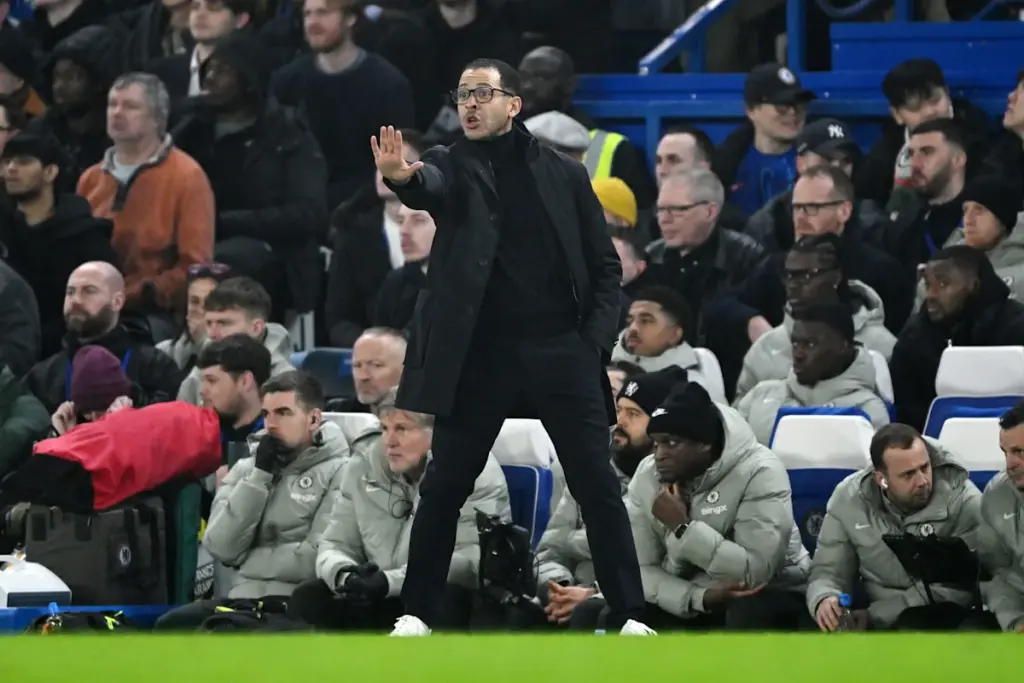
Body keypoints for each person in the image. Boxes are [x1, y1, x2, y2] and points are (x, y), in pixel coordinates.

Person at [370, 58, 650, 636]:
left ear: (513, 104)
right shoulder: (451, 163)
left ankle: (629, 615)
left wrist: (592, 346)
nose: (469, 105)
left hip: (560, 349)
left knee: (597, 485)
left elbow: (604, 267)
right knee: (445, 486)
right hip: (479, 356)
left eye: (482, 93)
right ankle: (416, 613)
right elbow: (428, 185)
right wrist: (401, 177)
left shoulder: (565, 173)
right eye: (462, 95)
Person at [578, 382, 811, 631]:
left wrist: (683, 528)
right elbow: (638, 569)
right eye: (656, 443)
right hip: (694, 593)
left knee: (746, 610)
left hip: (768, 592)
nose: (659, 455)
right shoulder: (648, 474)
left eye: (671, 443)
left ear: (704, 444)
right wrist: (697, 598)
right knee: (595, 614)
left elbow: (754, 572)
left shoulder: (760, 471)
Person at [288, 386, 509, 631]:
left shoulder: (474, 472)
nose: (390, 441)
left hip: (426, 594)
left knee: (448, 599)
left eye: (402, 429)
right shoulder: (363, 465)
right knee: (309, 597)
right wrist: (346, 575)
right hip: (376, 592)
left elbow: (470, 563)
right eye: (385, 428)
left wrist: (389, 582)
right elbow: (335, 543)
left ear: (438, 433)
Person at [154, 370, 349, 629]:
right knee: (169, 626)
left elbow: (315, 559)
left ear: (313, 419)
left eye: (283, 413)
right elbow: (220, 547)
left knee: (222, 633)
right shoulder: (248, 469)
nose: (271, 425)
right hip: (241, 600)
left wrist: (247, 559)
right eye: (266, 414)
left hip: (293, 605)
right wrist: (260, 477)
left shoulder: (343, 472)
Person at [536, 367, 687, 627]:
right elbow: (549, 550)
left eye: (633, 414)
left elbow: (662, 566)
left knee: (591, 615)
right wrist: (560, 587)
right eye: (618, 410)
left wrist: (594, 593)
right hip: (568, 592)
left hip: (630, 598)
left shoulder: (671, 484)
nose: (620, 421)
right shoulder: (590, 470)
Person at [807, 423, 992, 631]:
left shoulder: (963, 500)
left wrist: (875, 615)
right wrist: (826, 599)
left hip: (943, 615)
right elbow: (828, 570)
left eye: (925, 467)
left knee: (913, 624)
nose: (922, 481)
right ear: (882, 480)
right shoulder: (849, 499)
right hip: (873, 617)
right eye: (908, 474)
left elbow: (963, 586)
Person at [76, 73, 214, 319]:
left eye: (130, 106)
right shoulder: (90, 178)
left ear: (157, 118)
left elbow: (195, 265)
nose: (117, 113)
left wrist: (138, 294)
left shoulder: (187, 176)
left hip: (152, 312)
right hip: (89, 304)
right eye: (112, 104)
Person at [0, 130, 120, 356]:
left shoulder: (85, 237)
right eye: (6, 162)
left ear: (50, 172)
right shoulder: (4, 230)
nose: (11, 169)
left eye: (23, 161)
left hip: (65, 353)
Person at [735, 234, 895, 400]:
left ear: (836, 277)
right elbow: (740, 411)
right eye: (788, 275)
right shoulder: (765, 348)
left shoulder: (882, 346)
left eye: (805, 276)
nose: (792, 285)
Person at [22, 261, 184, 413]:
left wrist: (134, 405)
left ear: (117, 302)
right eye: (70, 292)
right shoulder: (42, 376)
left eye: (89, 291)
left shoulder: (156, 367)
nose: (76, 300)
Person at [891, 246, 1024, 430]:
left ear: (974, 285)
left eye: (943, 284)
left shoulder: (1016, 327)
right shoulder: (913, 337)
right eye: (927, 285)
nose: (930, 295)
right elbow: (907, 413)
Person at [736, 303, 890, 445]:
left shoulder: (867, 411)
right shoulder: (760, 395)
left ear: (841, 347)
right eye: (795, 343)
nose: (797, 354)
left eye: (810, 344)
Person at [713, 63, 814, 217]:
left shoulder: (817, 160)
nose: (793, 113)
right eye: (782, 106)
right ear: (751, 110)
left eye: (800, 105)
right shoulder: (726, 165)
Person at [177, 277, 294, 405]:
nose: (212, 335)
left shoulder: (286, 384)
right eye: (209, 323)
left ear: (256, 328)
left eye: (223, 323)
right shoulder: (196, 379)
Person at [611, 287, 720, 399]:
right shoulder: (602, 366)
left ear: (675, 334)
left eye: (646, 321)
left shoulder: (691, 391)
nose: (633, 328)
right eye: (629, 321)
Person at [978, 402, 1024, 632]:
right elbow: (997, 575)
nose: (1010, 464)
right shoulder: (997, 494)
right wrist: (1015, 621)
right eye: (1005, 453)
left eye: (1019, 452)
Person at [331, 327, 405, 414]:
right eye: (357, 365)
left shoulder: (419, 415)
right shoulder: (340, 414)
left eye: (376, 365)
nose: (363, 376)